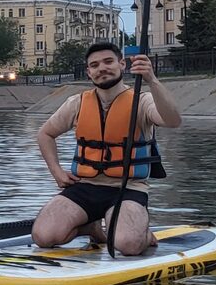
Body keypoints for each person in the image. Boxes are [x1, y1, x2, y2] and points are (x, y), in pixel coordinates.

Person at [32, 42, 181, 256]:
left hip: (128, 188)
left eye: (108, 62)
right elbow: (45, 134)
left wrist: (152, 80)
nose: (102, 68)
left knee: (128, 245)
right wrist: (56, 171)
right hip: (85, 186)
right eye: (94, 65)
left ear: (122, 64)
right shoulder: (77, 103)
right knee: (44, 237)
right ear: (89, 72)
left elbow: (173, 120)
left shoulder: (142, 100)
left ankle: (141, 233)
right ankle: (90, 226)